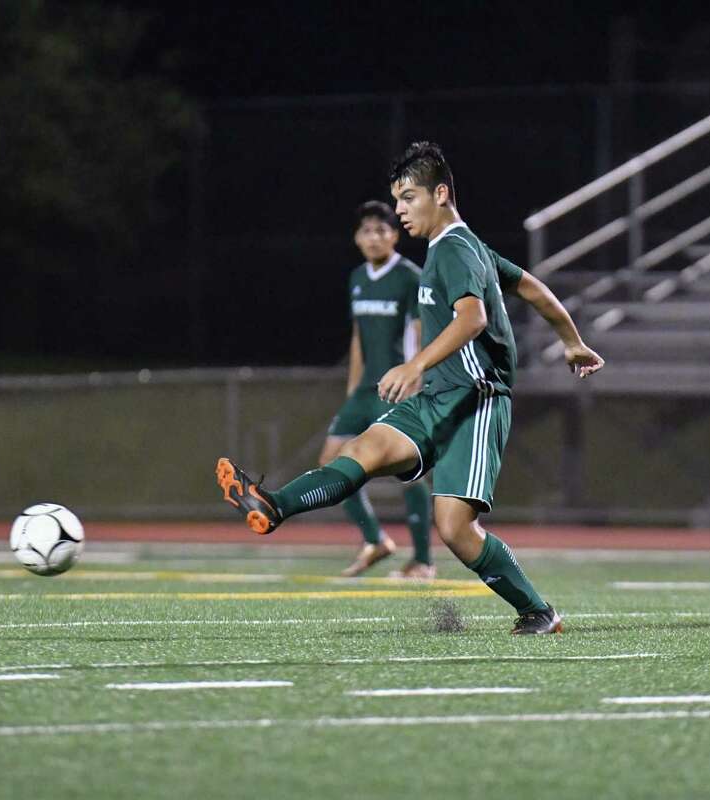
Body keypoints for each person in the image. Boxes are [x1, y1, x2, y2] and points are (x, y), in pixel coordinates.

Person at [217, 141, 605, 634]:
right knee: (365, 448)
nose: (399, 210)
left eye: (407, 198)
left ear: (440, 194)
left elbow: (473, 318)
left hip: (476, 400)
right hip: (438, 396)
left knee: (456, 530)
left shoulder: (457, 249)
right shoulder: (464, 247)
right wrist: (572, 342)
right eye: (397, 200)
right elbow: (529, 286)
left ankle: (538, 612)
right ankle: (273, 506)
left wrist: (414, 363)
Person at [324, 201, 434, 579]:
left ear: (395, 235)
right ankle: (376, 540)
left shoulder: (410, 277)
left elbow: (421, 332)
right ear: (357, 237)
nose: (374, 237)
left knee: (410, 472)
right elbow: (358, 337)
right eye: (367, 231)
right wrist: (353, 387)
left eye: (382, 230)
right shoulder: (356, 277)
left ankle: (423, 560)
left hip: (396, 390)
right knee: (331, 463)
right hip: (364, 391)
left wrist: (416, 381)